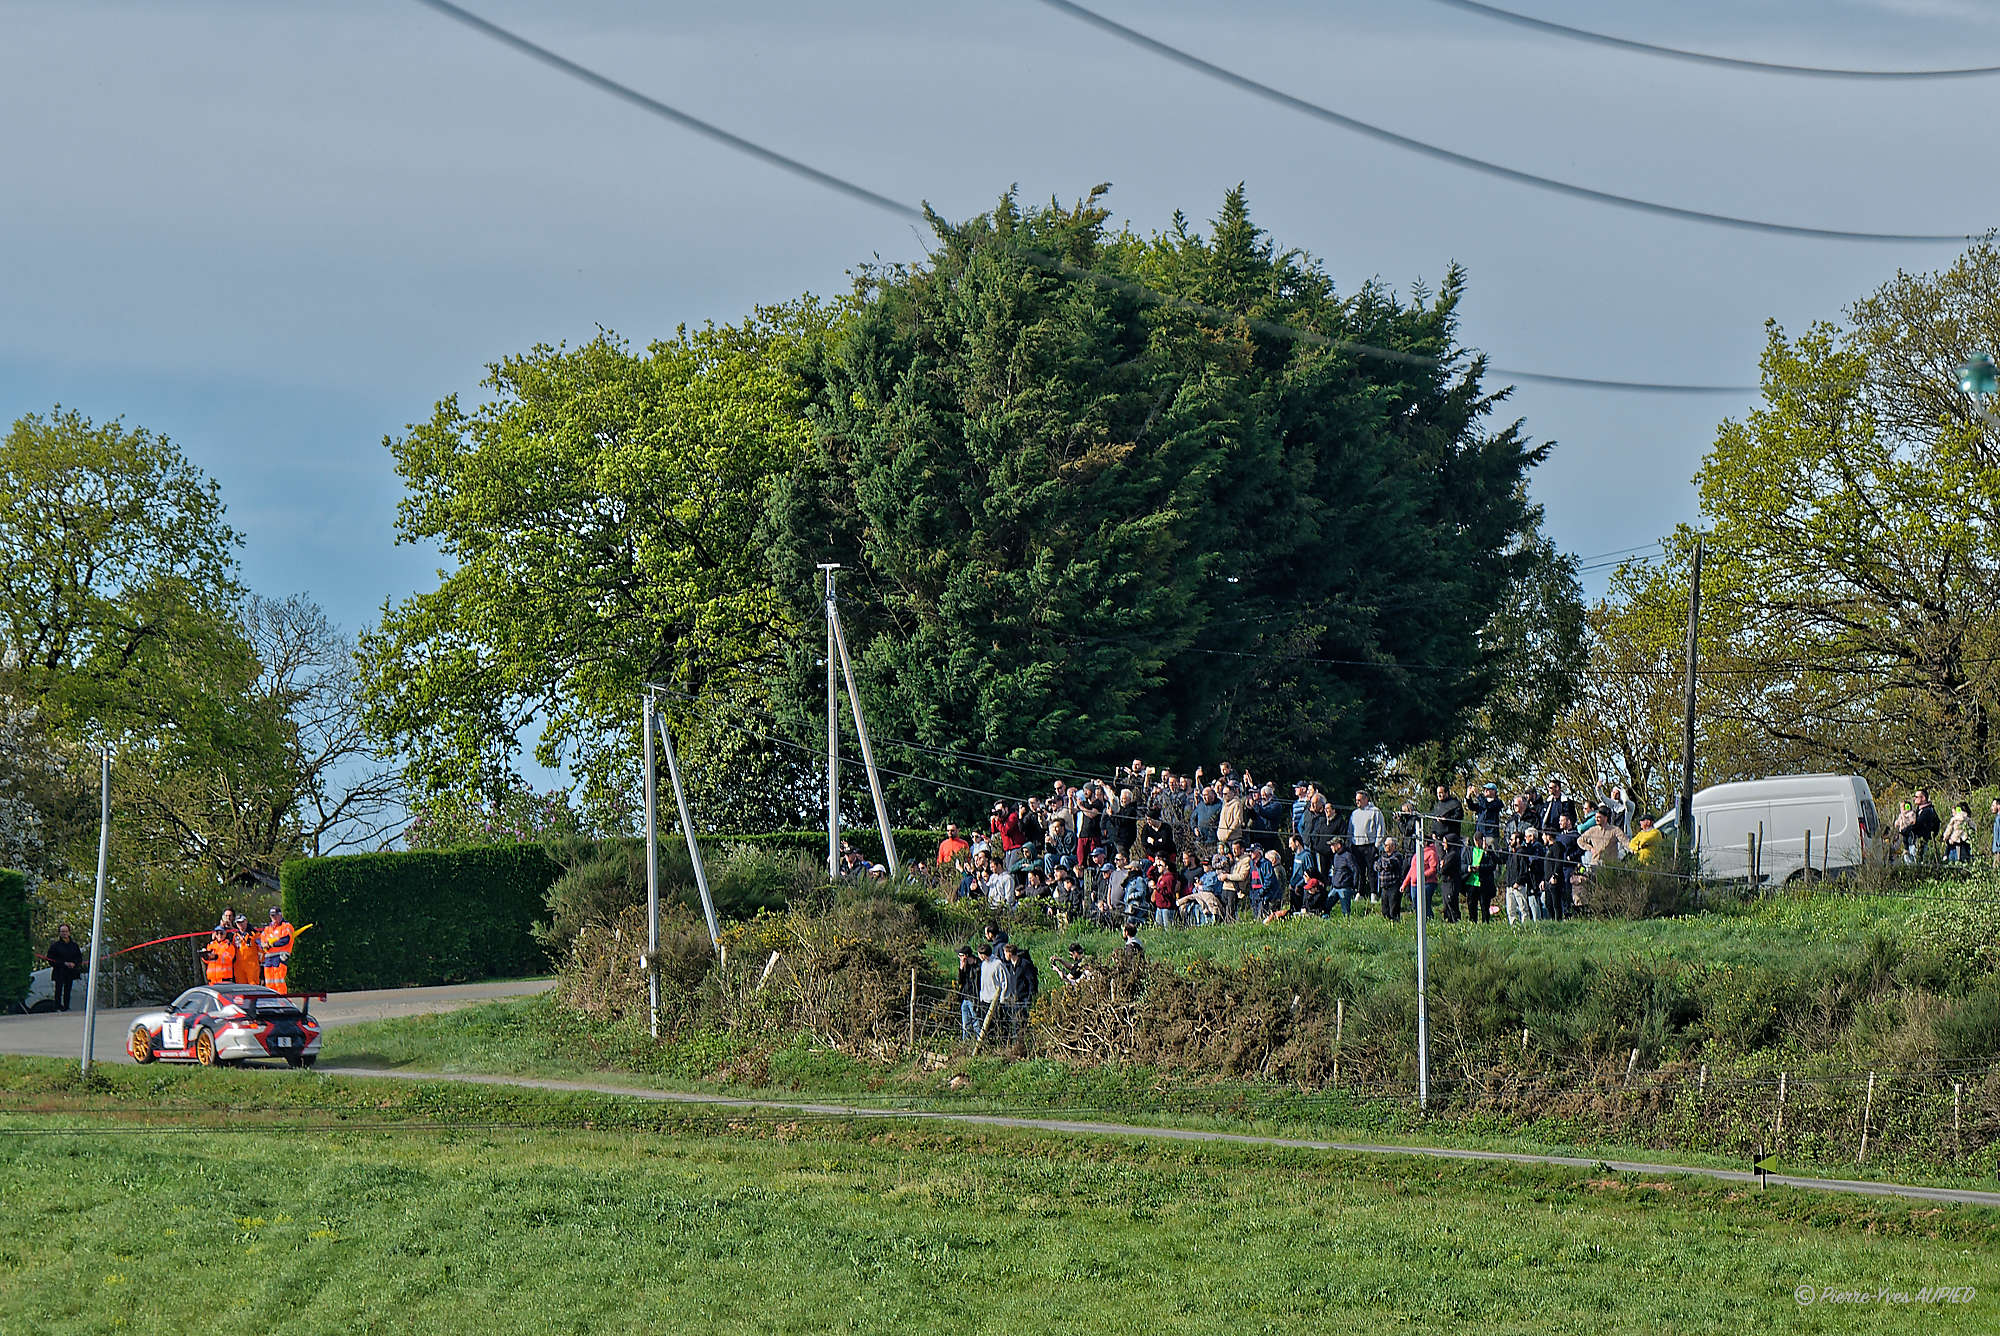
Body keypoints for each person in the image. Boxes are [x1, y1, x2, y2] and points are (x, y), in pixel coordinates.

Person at [1350, 790, 1385, 902]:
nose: (1358, 802)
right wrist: (1351, 842)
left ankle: (1373, 893)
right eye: (1356, 800)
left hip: (1370, 845)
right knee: (1360, 870)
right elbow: (1350, 829)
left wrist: (1377, 845)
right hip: (1357, 845)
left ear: (1366, 799)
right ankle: (1360, 892)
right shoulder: (1354, 813)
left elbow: (1380, 829)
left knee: (1371, 870)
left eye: (1359, 800)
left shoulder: (1375, 811)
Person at [45, 925, 84, 1011]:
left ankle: (66, 1007)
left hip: (70, 972)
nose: (64, 933)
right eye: (62, 931)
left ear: (69, 932)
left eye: (66, 931)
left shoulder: (74, 946)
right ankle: (57, 1006)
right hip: (59, 971)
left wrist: (74, 964)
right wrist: (63, 963)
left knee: (68, 990)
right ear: (59, 933)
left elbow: (79, 958)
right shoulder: (55, 946)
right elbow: (50, 959)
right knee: (58, 989)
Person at [258, 906, 295, 993]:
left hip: (280, 956)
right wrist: (263, 944)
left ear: (280, 915)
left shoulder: (286, 926)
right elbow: (261, 939)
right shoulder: (268, 928)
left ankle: (282, 999)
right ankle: (272, 999)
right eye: (271, 916)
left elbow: (286, 940)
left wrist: (271, 944)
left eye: (275, 915)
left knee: (279, 980)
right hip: (269, 957)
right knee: (269, 981)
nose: (273, 918)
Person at [1326, 835, 1360, 917]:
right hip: (1335, 887)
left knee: (1345, 911)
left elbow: (1356, 870)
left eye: (1332, 845)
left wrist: (1354, 885)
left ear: (1338, 845)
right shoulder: (1336, 856)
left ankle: (1347, 924)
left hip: (1344, 888)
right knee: (1326, 906)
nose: (1331, 847)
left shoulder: (1348, 856)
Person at [955, 945, 981, 1042]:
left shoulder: (978, 966)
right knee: (966, 1025)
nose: (960, 958)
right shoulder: (965, 967)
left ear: (966, 956)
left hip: (973, 998)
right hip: (965, 997)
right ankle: (966, 1043)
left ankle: (979, 1043)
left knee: (976, 1023)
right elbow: (960, 981)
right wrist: (961, 969)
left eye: (960, 956)